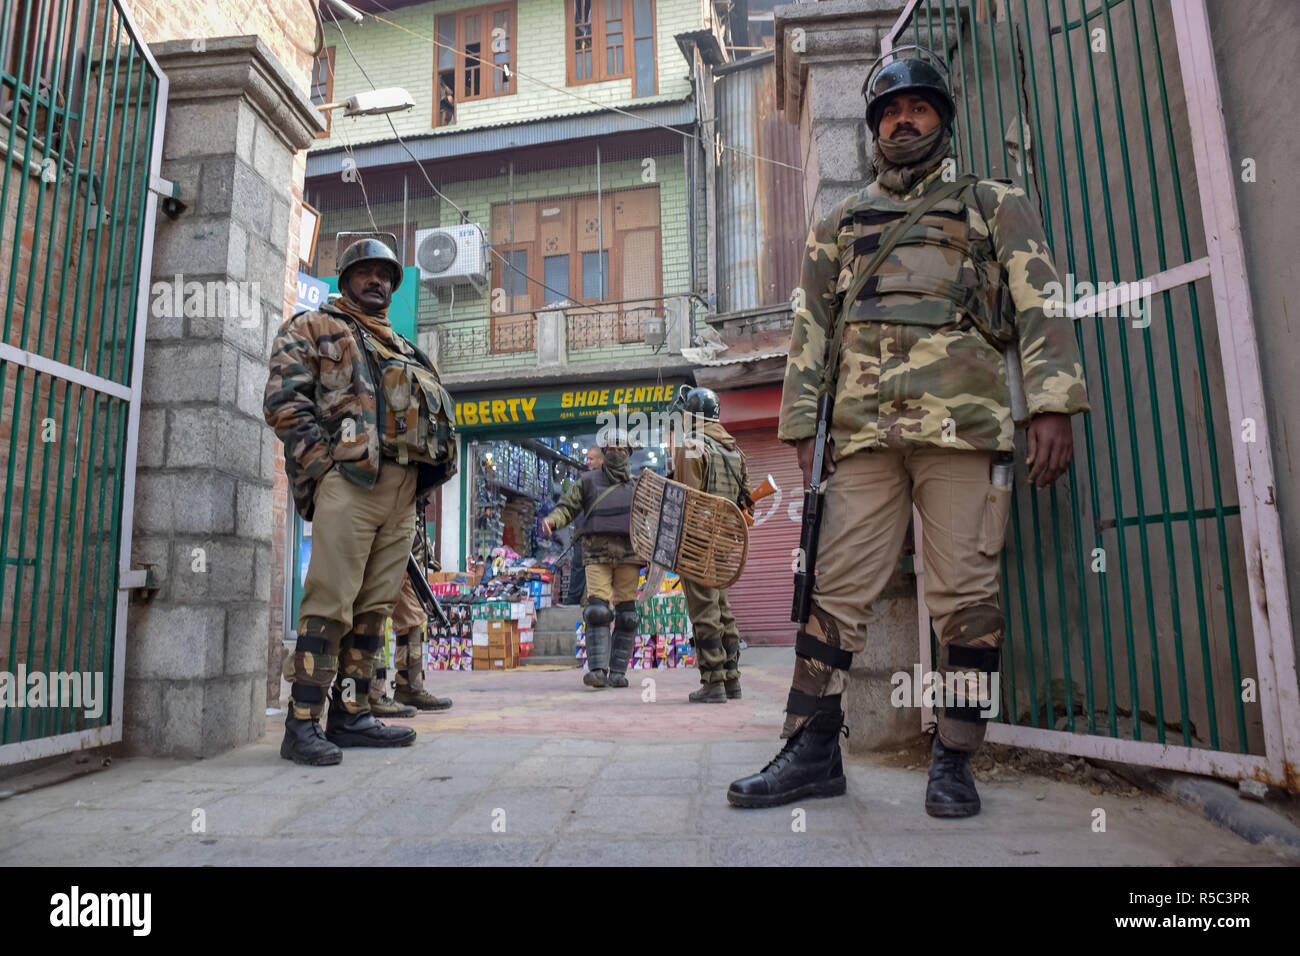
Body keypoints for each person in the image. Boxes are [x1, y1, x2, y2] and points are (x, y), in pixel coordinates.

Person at [727, 51, 1089, 815]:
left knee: (967, 597)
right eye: (891, 111)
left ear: (942, 118)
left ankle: (954, 757)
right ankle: (812, 750)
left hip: (963, 428)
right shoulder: (841, 221)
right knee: (833, 593)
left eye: (918, 107)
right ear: (874, 129)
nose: (903, 119)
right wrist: (801, 429)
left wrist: (1052, 403)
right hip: (861, 434)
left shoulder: (992, 202)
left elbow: (1040, 303)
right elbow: (811, 329)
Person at [265, 238, 458, 765]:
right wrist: (323, 472)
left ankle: (350, 714)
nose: (376, 281)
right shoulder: (312, 327)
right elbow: (283, 402)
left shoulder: (404, 347)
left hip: (402, 494)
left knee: (373, 611)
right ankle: (301, 724)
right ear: (345, 279)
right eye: (365, 272)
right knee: (330, 603)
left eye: (384, 275)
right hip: (349, 484)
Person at [542, 436, 639, 689]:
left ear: (628, 452)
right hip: (596, 554)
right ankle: (598, 670)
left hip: (630, 555)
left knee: (628, 615)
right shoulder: (587, 482)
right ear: (605, 452)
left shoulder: (641, 486)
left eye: (621, 448)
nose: (617, 452)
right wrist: (553, 521)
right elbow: (567, 507)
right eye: (612, 448)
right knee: (597, 611)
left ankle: (618, 672)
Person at [672, 388, 748, 704]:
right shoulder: (734, 451)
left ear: (692, 416)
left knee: (704, 610)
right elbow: (744, 501)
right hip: (724, 541)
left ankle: (713, 682)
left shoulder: (692, 447)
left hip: (698, 540)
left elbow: (686, 499)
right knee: (722, 609)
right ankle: (731, 680)